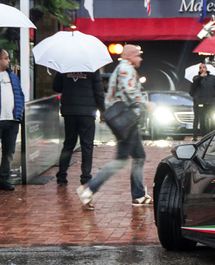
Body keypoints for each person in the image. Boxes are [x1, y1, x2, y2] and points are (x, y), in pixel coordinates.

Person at [77, 44, 155, 210]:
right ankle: (89, 188)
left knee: (139, 156)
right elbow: (131, 91)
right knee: (120, 160)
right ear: (129, 56)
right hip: (126, 120)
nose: (140, 58)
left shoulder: (122, 68)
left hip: (126, 120)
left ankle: (139, 195)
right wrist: (146, 103)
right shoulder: (126, 69)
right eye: (137, 55)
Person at [53, 71, 105, 186]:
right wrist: (103, 111)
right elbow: (99, 92)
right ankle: (86, 176)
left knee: (69, 143)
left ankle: (62, 175)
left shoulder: (64, 67)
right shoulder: (92, 69)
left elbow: (56, 87)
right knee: (87, 144)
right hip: (87, 112)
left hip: (69, 111)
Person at [0, 46, 24, 191]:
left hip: (12, 120)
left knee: (9, 151)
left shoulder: (13, 76)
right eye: (6, 58)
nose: (8, 61)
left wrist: (18, 113)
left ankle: (3, 180)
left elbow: (20, 94)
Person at [189, 63, 215, 141]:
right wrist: (200, 77)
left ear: (206, 69)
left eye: (204, 67)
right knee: (202, 120)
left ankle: (212, 134)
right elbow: (192, 89)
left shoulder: (213, 78)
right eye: (201, 68)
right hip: (201, 101)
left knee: (213, 119)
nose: (202, 69)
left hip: (211, 101)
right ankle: (203, 135)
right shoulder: (196, 78)